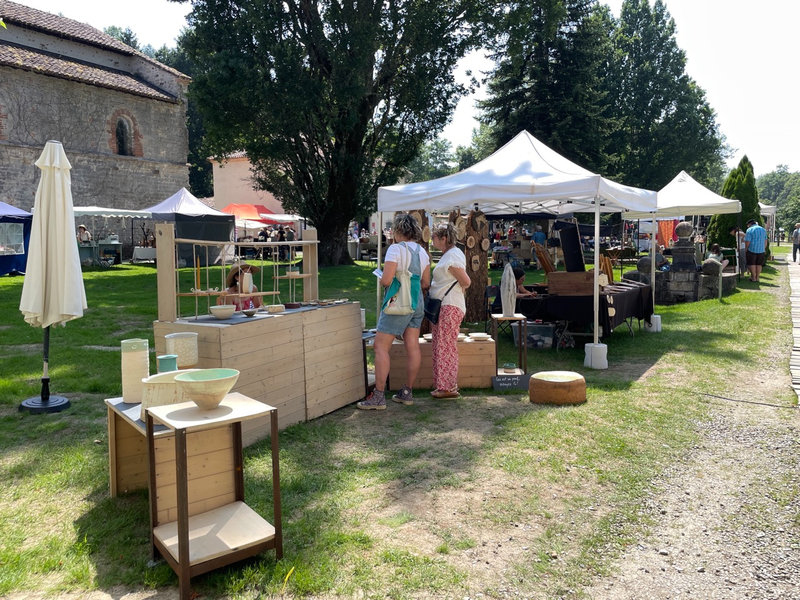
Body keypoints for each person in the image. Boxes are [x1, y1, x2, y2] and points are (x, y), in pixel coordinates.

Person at [358, 213, 430, 410]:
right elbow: (426, 283)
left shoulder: (395, 250)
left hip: (398, 303)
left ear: (398, 231)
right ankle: (407, 391)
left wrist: (383, 279)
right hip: (417, 303)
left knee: (381, 347)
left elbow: (387, 280)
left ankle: (379, 396)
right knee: (412, 347)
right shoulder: (423, 252)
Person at [428, 223, 471, 399]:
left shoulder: (453, 255)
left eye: (435, 238)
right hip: (446, 305)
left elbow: (466, 281)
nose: (432, 240)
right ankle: (444, 385)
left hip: (450, 305)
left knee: (445, 346)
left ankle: (447, 387)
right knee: (441, 345)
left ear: (444, 238)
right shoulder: (450, 254)